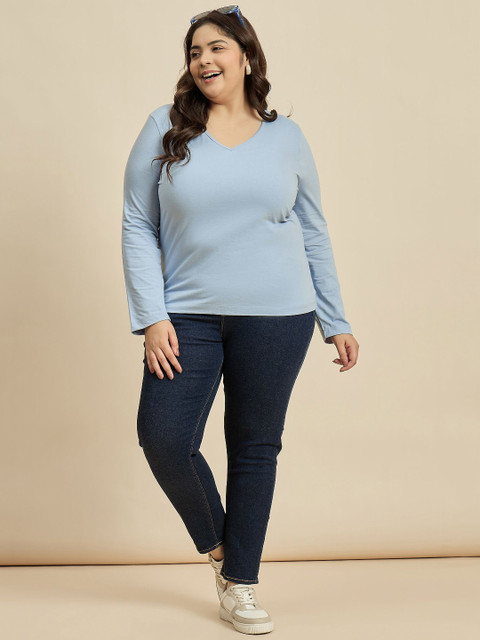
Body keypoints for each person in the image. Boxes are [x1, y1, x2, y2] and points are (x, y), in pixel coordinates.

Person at [121, 5, 359, 635]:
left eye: (217, 47)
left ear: (246, 56)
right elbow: (137, 223)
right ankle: (224, 550)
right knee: (164, 437)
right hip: (186, 315)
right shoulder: (164, 127)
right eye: (195, 50)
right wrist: (150, 316)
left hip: (279, 315)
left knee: (255, 448)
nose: (204, 59)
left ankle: (241, 585)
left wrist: (335, 319)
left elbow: (313, 229)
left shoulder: (288, 137)